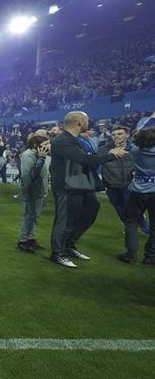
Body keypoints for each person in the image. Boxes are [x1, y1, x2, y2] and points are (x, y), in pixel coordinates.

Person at [49, 111, 127, 268]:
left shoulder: (77, 139)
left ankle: (69, 245)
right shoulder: (61, 140)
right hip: (66, 187)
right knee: (64, 221)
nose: (89, 123)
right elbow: (84, 160)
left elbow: (90, 157)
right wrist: (112, 155)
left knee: (92, 209)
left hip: (82, 184)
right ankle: (58, 253)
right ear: (79, 122)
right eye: (87, 120)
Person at [117, 114, 155, 265]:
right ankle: (150, 257)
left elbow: (136, 133)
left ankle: (131, 254)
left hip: (137, 191)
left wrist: (150, 119)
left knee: (131, 222)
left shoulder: (134, 150)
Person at [101, 125, 148, 235]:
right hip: (112, 185)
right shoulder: (105, 149)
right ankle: (128, 226)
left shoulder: (135, 148)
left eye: (120, 134)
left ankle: (143, 225)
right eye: (113, 134)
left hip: (130, 184)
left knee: (133, 208)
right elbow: (96, 159)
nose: (116, 136)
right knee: (119, 208)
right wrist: (109, 154)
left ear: (127, 135)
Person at [16, 135, 50, 253]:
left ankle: (30, 238)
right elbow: (28, 176)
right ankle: (22, 241)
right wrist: (41, 158)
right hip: (31, 191)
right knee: (29, 216)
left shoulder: (41, 155)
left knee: (35, 216)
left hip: (39, 191)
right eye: (46, 144)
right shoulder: (28, 155)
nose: (48, 146)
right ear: (36, 146)